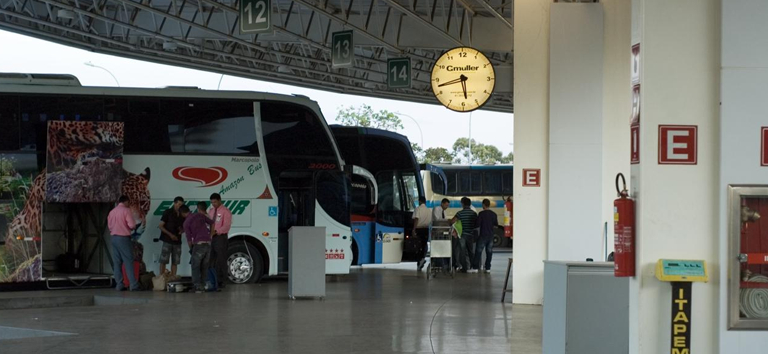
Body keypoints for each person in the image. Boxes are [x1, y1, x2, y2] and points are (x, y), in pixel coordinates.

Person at [108, 195, 139, 291]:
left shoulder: (112, 212)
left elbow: (109, 226)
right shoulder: (126, 210)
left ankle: (119, 284)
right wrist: (132, 227)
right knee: (128, 261)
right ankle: (133, 285)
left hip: (114, 238)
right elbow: (132, 225)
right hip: (123, 238)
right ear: (126, 202)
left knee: (117, 262)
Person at [183, 202, 215, 293]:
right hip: (208, 244)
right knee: (204, 266)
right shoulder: (200, 215)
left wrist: (191, 249)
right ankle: (204, 285)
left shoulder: (186, 222)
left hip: (199, 245)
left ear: (182, 214)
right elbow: (212, 222)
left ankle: (197, 286)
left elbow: (189, 240)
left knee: (195, 266)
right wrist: (211, 234)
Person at [208, 193, 232, 289]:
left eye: (215, 202)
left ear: (219, 200)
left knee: (221, 260)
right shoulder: (210, 211)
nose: (213, 204)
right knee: (211, 259)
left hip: (220, 237)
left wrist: (216, 231)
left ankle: (222, 281)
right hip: (211, 237)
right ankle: (213, 280)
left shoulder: (226, 211)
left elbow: (226, 226)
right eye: (212, 202)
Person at [158, 196, 185, 278]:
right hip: (167, 240)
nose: (180, 206)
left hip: (177, 241)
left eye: (181, 205)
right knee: (163, 260)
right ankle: (161, 278)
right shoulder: (168, 212)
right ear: (174, 203)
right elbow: (160, 226)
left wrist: (182, 230)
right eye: (179, 204)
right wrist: (170, 235)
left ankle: (173, 278)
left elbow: (184, 227)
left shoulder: (182, 214)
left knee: (175, 262)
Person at [451, 197, 477, 273]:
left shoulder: (460, 213)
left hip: (463, 235)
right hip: (471, 235)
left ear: (463, 204)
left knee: (462, 251)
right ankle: (472, 266)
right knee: (471, 251)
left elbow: (452, 221)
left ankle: (464, 268)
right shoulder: (474, 213)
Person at [473, 199, 498, 273]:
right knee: (489, 252)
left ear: (484, 205)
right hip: (490, 236)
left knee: (478, 251)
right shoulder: (494, 214)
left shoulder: (481, 214)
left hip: (483, 235)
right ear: (489, 205)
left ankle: (475, 267)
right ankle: (488, 268)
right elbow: (496, 225)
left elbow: (477, 224)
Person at [412, 196, 432, 271]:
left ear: (419, 201)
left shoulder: (418, 209)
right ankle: (422, 259)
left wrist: (414, 229)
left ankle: (420, 261)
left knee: (418, 246)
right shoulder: (429, 210)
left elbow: (416, 219)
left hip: (419, 229)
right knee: (424, 245)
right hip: (426, 229)